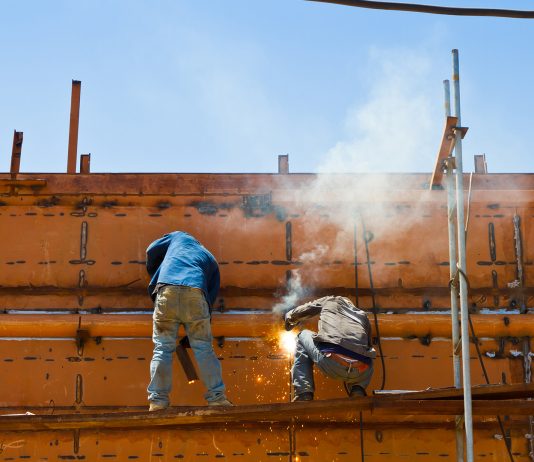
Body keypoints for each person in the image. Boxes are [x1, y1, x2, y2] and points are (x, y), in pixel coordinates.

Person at [146, 231, 232, 410]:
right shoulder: (210, 258)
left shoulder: (178, 236)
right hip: (196, 293)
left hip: (166, 291)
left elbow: (151, 249)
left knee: (162, 348)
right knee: (204, 348)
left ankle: (158, 401)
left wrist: (155, 271)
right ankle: (217, 399)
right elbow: (210, 296)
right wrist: (199, 325)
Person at [284, 295, 375, 401]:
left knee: (302, 335)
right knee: (368, 355)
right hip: (360, 372)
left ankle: (304, 393)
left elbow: (306, 309)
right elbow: (368, 346)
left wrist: (289, 318)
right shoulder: (363, 316)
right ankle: (358, 389)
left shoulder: (331, 300)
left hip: (332, 364)